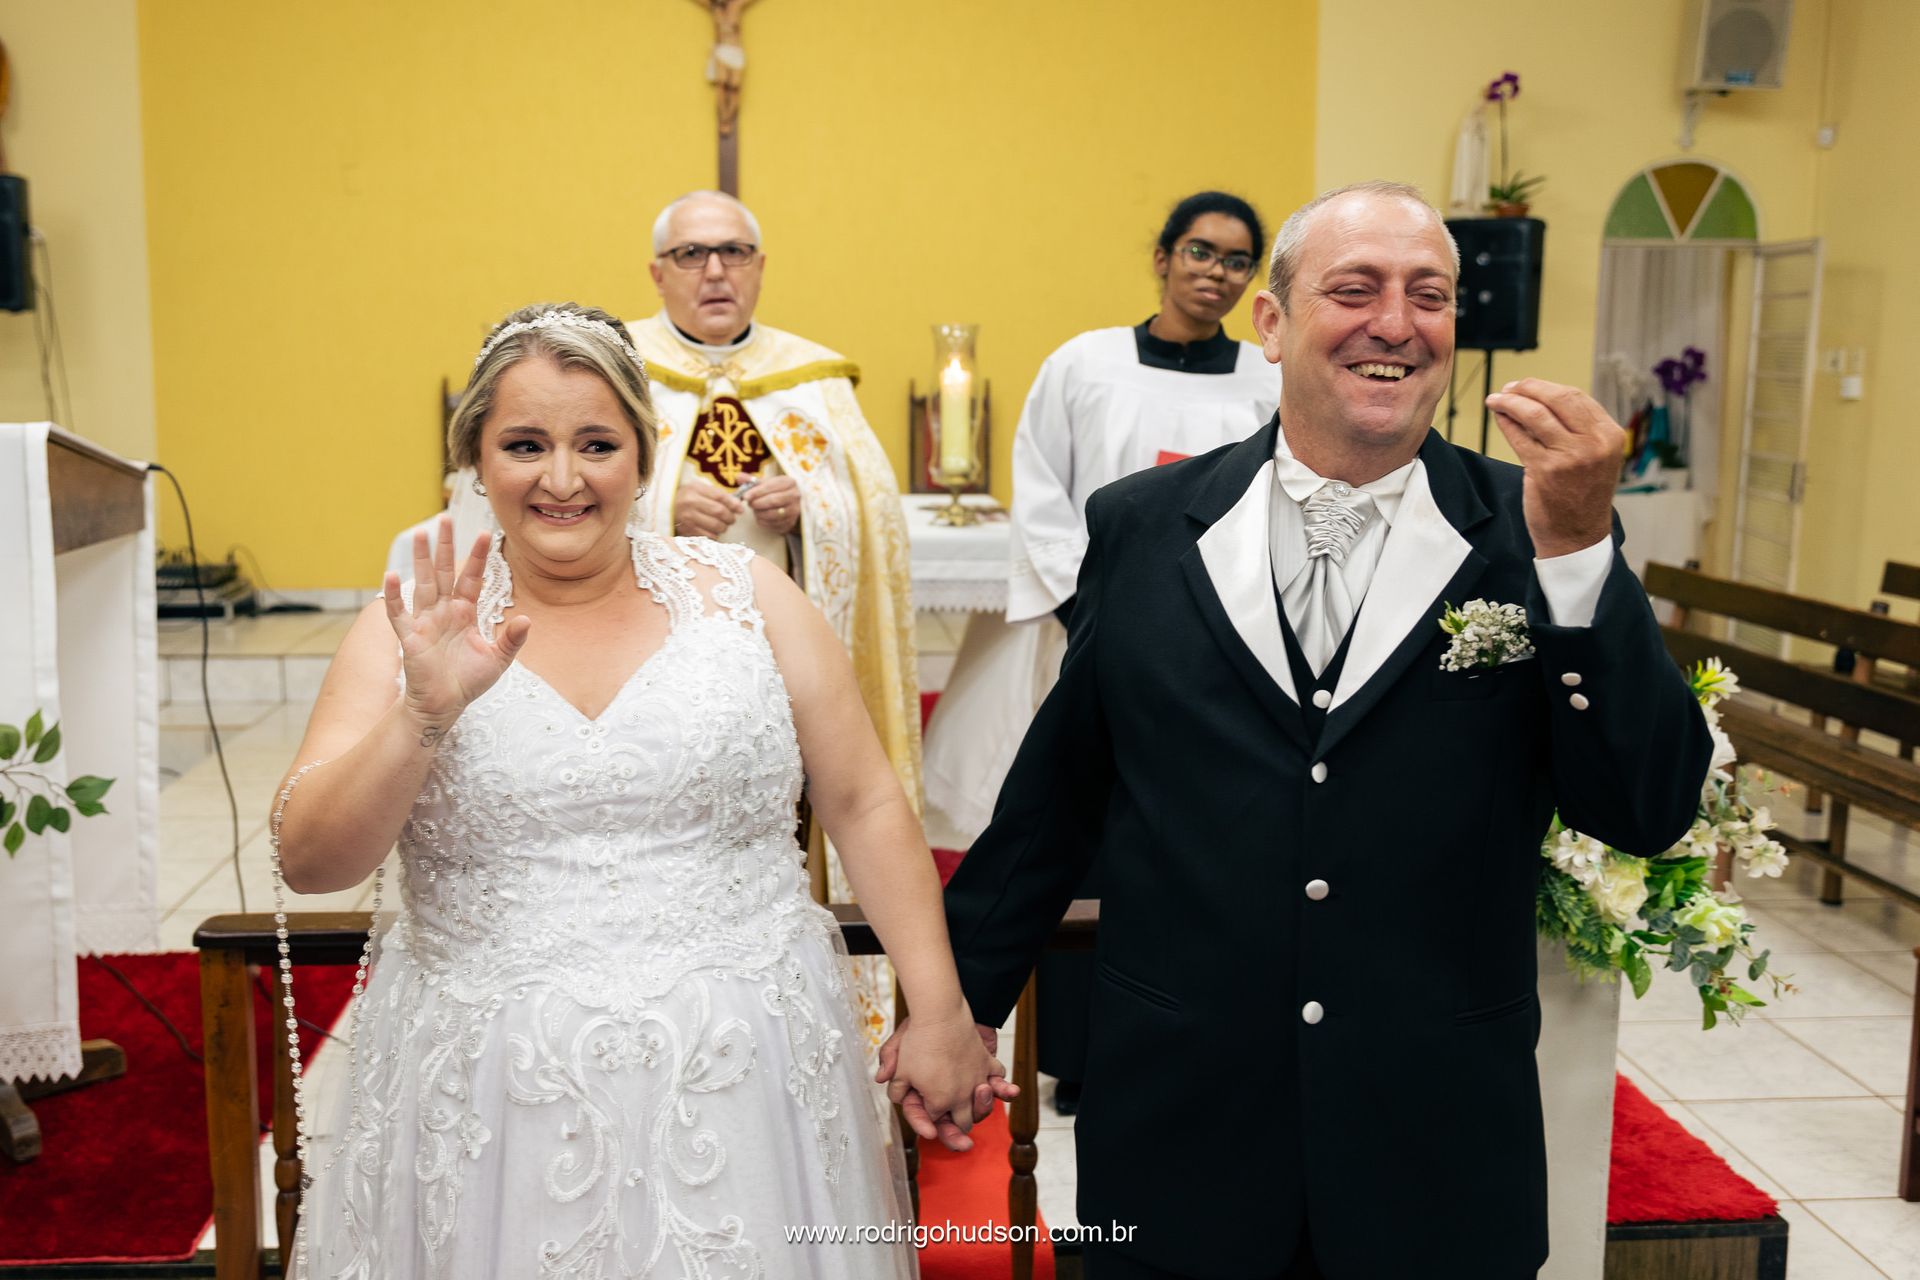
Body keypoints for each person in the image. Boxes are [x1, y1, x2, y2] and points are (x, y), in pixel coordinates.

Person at [882, 183, 1712, 1278]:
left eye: (1429, 296)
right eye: (1354, 289)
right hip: (1182, 1134)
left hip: (1436, 1150)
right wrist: (953, 1005)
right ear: (1270, 325)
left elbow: (1647, 810)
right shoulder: (1143, 526)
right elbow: (1059, 796)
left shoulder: (1536, 531)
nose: (1395, 323)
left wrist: (1579, 556)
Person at [273, 303, 1010, 1278]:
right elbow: (309, 860)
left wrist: (942, 1010)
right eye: (525, 445)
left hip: (745, 1074)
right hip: (490, 1092)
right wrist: (422, 714)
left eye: (597, 444)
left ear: (645, 452)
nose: (563, 479)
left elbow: (866, 803)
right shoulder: (407, 628)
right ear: (476, 459)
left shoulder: (751, 597)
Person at [922, 191, 1279, 1117]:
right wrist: (1097, 611)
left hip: (1233, 652)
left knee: (1198, 839)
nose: (1215, 272)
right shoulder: (1083, 365)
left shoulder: (1268, 381)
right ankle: (1078, 1056)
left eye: (1237, 260)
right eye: (1199, 251)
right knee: (1086, 832)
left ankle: (1206, 1037)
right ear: (1162, 257)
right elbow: (1041, 491)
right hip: (1091, 637)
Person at [627, 190, 920, 1054]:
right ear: (657, 273)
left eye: (734, 252)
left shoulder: (814, 380)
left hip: (782, 665)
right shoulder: (612, 366)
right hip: (652, 661)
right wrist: (659, 507)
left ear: (759, 267)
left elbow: (874, 518)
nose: (714, 271)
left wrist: (813, 513)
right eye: (691, 254)